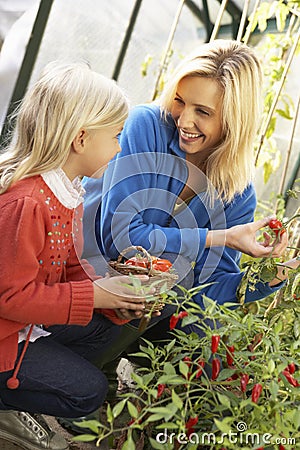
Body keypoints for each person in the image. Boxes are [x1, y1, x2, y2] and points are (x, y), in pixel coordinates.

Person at [81, 40, 299, 373]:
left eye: (203, 112)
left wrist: (274, 275)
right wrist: (220, 237)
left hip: (140, 306)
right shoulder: (147, 127)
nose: (183, 120)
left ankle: (129, 382)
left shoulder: (236, 194)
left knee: (194, 312)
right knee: (170, 276)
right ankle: (92, 373)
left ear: (233, 122)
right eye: (180, 101)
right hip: (81, 271)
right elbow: (122, 241)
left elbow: (210, 292)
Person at [0, 62, 151, 450]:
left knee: (104, 325)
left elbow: (66, 268)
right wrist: (94, 296)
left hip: (19, 327)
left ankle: (31, 377)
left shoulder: (64, 191)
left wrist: (110, 296)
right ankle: (5, 404)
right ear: (81, 139)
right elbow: (10, 297)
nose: (120, 147)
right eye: (116, 136)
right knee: (88, 392)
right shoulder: (27, 203)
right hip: (3, 333)